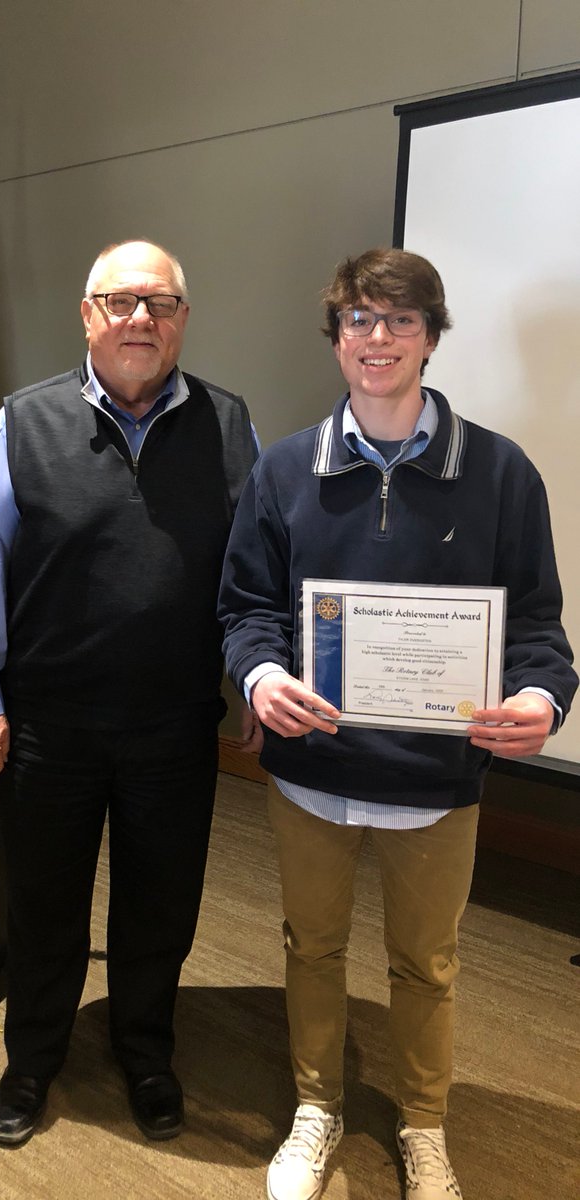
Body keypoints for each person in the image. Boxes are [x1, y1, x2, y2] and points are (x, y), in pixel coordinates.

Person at [218, 248, 576, 1200]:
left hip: (435, 783)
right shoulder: (285, 468)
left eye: (401, 320)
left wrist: (540, 701)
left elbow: (538, 628)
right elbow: (246, 606)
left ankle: (424, 1125)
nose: (379, 340)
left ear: (431, 335)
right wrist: (258, 676)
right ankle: (315, 1107)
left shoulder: (502, 473)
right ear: (337, 339)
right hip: (311, 769)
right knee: (312, 947)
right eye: (360, 322)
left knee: (427, 966)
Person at [0, 239, 258, 1147]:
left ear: (183, 322)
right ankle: (32, 1058)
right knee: (44, 905)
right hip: (50, 724)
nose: (140, 320)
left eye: (159, 305)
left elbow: (254, 576)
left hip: (174, 724)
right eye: (120, 302)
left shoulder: (232, 426)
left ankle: (146, 1051)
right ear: (88, 316)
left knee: (162, 903)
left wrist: (255, 685)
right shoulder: (22, 422)